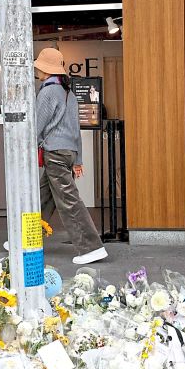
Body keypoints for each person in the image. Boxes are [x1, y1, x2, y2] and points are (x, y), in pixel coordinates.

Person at [35, 48, 107, 266]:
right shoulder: (69, 92)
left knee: (68, 201)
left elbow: (37, 125)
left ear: (45, 69)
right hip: (67, 153)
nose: (37, 70)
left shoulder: (48, 91)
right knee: (43, 197)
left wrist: (28, 148)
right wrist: (78, 160)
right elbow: (76, 130)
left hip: (54, 152)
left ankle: (91, 247)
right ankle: (25, 239)